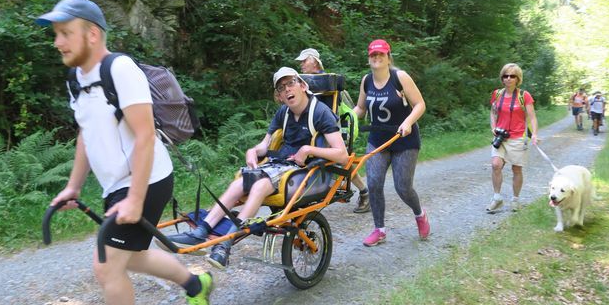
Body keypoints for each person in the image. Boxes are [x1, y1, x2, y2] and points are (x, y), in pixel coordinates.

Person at [36, 0, 213, 305]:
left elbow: (145, 134)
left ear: (92, 34)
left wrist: (134, 198)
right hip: (119, 185)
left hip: (147, 179)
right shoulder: (77, 78)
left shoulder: (120, 70)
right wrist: (73, 185)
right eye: (56, 34)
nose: (58, 42)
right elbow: (86, 133)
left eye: (65, 33)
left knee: (107, 265)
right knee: (130, 255)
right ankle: (196, 284)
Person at [165, 67, 349, 268]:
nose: (287, 89)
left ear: (302, 86)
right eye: (281, 88)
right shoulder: (283, 113)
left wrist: (306, 149)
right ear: (279, 96)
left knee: (260, 185)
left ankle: (225, 244)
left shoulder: (321, 113)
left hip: (304, 171)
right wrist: (253, 151)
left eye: (291, 83)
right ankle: (201, 231)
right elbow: (265, 144)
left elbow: (342, 154)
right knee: (239, 184)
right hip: (278, 165)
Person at [353, 39, 430, 246]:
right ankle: (379, 230)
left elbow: (420, 104)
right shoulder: (366, 81)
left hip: (404, 140)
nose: (376, 58)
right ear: (369, 58)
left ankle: (420, 214)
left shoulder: (400, 77)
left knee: (403, 187)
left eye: (381, 54)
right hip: (378, 140)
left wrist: (407, 122)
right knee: (374, 183)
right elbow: (360, 108)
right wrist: (348, 119)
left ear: (388, 57)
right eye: (373, 55)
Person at [295, 48, 370, 213]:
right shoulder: (309, 83)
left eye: (304, 61)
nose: (301, 64)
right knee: (335, 162)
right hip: (319, 129)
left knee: (340, 161)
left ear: (314, 61)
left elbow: (330, 114)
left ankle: (363, 191)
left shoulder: (327, 83)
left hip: (336, 128)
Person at [487, 63, 538, 213]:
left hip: (518, 137)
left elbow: (532, 118)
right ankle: (497, 198)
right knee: (496, 164)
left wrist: (534, 134)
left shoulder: (524, 96)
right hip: (501, 138)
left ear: (518, 78)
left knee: (516, 169)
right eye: (505, 76)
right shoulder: (497, 94)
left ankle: (515, 200)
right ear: (502, 78)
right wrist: (493, 127)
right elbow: (493, 112)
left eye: (512, 76)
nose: (508, 79)